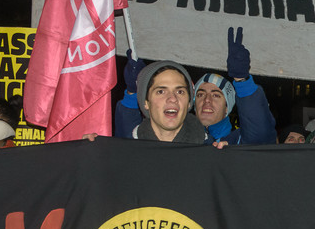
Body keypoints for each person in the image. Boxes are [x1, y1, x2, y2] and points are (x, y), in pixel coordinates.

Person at [116, 28, 277, 144]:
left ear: (227, 107)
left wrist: (242, 81)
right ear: (191, 103)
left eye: (216, 95)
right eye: (200, 94)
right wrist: (133, 93)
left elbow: (261, 137)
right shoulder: (169, 138)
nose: (207, 100)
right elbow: (127, 142)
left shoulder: (234, 143)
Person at [130, 60, 210, 143]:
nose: (173, 99)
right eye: (161, 92)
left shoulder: (210, 148)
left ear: (189, 102)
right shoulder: (127, 147)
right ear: (146, 102)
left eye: (180, 92)